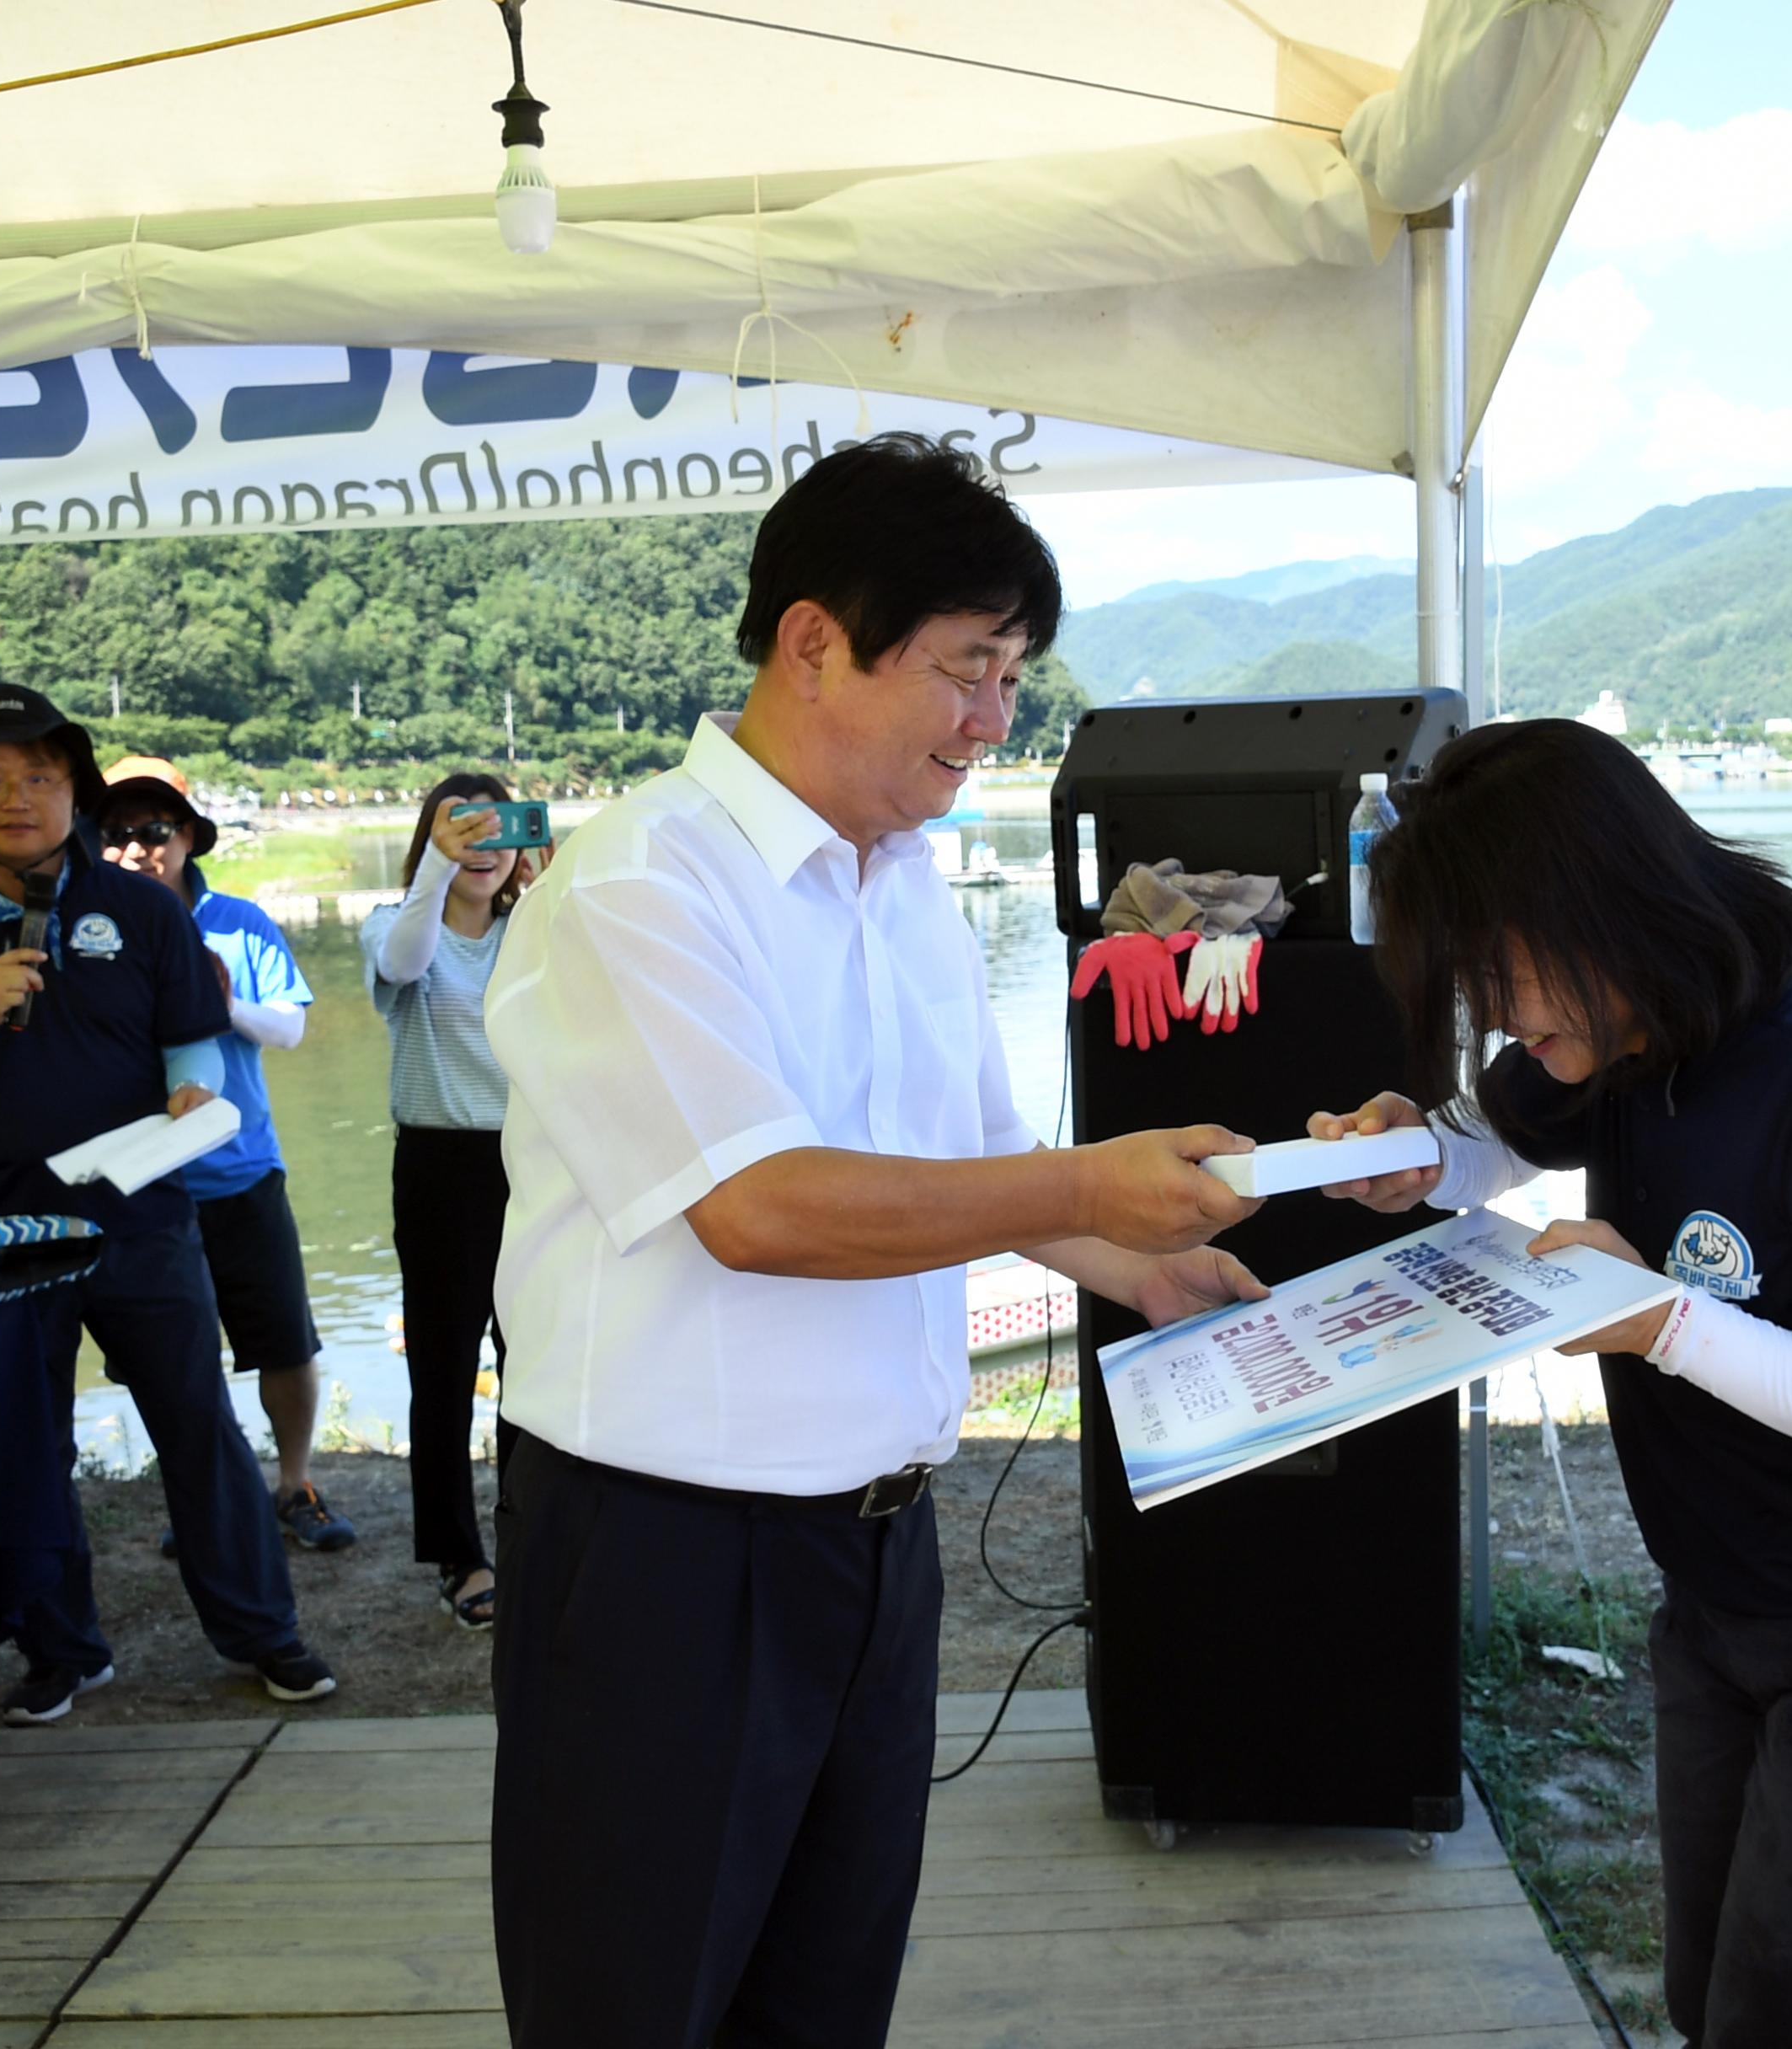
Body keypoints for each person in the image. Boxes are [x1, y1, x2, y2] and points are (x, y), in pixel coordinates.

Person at [484, 434, 1269, 2048]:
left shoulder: (905, 878)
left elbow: (977, 1163)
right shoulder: (634, 884)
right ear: (813, 641)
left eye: (1013, 674)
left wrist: (1158, 1268)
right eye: (966, 668)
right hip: (665, 1553)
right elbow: (759, 1208)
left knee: (824, 1994)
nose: (995, 719)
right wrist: (1084, 1190)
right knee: (633, 2000)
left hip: (873, 1540)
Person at [1311, 717, 1792, 2049]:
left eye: (1499, 976)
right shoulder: (1618, 1031)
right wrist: (1415, 1155)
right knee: (1713, 2005)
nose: (1498, 1020)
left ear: (1600, 910)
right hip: (1714, 1619)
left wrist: (1660, 1317)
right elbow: (1491, 1144)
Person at [0, 685, 338, 1724]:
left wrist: (193, 1086)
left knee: (198, 1422)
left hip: (140, 1210)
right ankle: (60, 1646)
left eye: (40, 775)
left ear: (73, 789)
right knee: (25, 1439)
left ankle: (264, 1632)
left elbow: (190, 1037)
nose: (17, 796)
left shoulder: (144, 908)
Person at [95, 756, 356, 1553]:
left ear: (187, 837)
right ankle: (205, 1494)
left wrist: (223, 1002)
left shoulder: (240, 921)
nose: (139, 849)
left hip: (240, 1167)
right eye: (117, 835)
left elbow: (291, 1027)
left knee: (283, 1338)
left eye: (155, 831)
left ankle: (293, 1483)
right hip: (138, 1178)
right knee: (174, 1358)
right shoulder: (88, 931)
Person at [359, 773, 533, 1629]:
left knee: (534, 1358)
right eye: (461, 829)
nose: (482, 846)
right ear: (430, 842)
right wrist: (437, 868)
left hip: (535, 1159)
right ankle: (458, 1554)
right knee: (442, 1364)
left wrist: (553, 880)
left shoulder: (535, 930)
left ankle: (534, 1533)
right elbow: (406, 963)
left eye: (498, 829)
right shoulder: (394, 926)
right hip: (439, 1165)